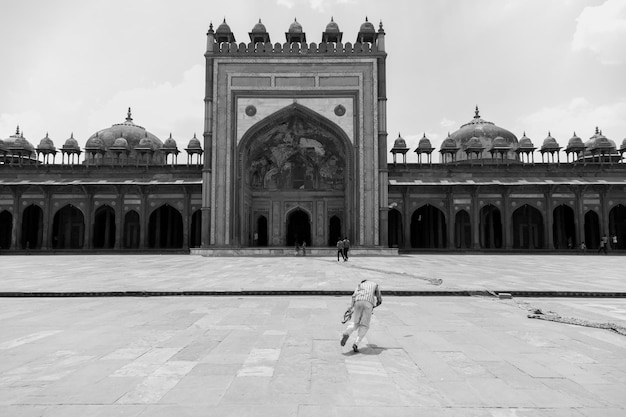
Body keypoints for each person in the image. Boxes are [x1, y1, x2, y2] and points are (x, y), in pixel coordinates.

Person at [340, 279, 382, 353]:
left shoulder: (360, 285)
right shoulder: (375, 284)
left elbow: (353, 296)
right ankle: (356, 343)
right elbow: (378, 296)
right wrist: (378, 301)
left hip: (358, 301)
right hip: (368, 303)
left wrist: (351, 307)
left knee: (356, 323)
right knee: (365, 325)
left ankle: (347, 332)